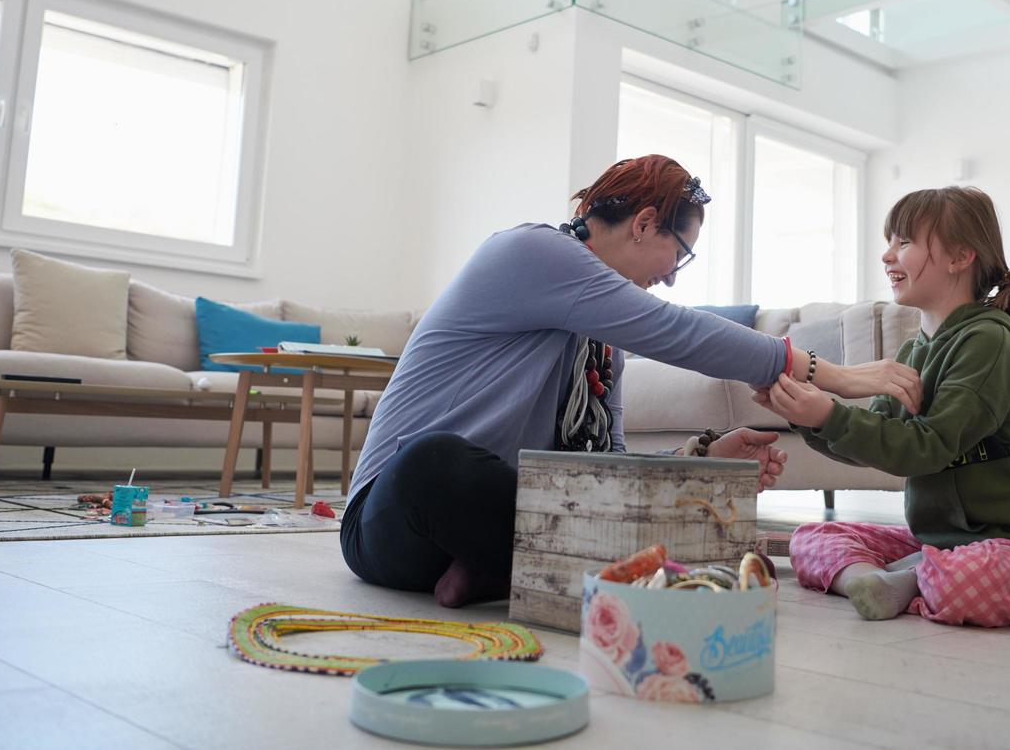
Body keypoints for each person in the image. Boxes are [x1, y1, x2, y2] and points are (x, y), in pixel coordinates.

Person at [340, 155, 903, 608]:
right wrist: (830, 374)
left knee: (600, 507)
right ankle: (556, 570)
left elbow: (608, 471)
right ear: (643, 224)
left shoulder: (602, 349)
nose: (670, 278)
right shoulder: (530, 251)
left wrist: (701, 458)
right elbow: (678, 331)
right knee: (432, 461)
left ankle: (508, 572)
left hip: (510, 522)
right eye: (678, 254)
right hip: (392, 523)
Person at [755, 186, 1010, 627]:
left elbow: (929, 446)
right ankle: (893, 581)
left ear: (960, 256)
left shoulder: (990, 341)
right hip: (934, 544)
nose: (887, 256)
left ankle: (906, 581)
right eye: (890, 242)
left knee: (968, 583)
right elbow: (880, 439)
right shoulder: (912, 352)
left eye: (904, 243)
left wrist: (827, 413)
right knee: (811, 539)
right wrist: (811, 415)